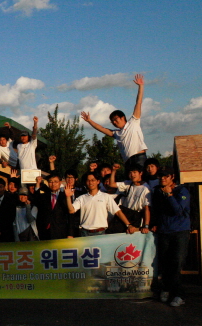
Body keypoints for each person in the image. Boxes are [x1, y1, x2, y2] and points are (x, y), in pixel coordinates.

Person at [81, 74, 148, 170]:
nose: (114, 122)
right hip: (127, 161)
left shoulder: (133, 122)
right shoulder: (116, 133)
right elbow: (102, 129)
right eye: (112, 121)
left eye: (116, 119)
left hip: (139, 158)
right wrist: (89, 121)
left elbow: (138, 103)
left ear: (122, 117)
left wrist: (141, 86)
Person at [150, 167, 191, 307]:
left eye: (166, 176)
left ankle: (179, 294)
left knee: (176, 262)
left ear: (172, 177)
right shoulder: (157, 191)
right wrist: (155, 223)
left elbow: (178, 210)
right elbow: (155, 210)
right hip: (164, 231)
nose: (162, 178)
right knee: (165, 262)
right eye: (160, 176)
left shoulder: (182, 191)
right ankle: (166, 288)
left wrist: (169, 195)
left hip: (180, 231)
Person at [65, 172, 135, 237]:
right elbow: (71, 210)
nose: (90, 182)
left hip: (100, 233)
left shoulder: (106, 196)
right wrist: (68, 197)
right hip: (84, 233)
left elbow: (117, 212)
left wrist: (128, 225)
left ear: (98, 181)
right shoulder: (82, 198)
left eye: (93, 180)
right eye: (88, 180)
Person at [107, 163, 151, 232]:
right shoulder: (128, 184)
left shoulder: (145, 189)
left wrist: (146, 225)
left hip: (136, 217)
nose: (132, 175)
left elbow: (146, 208)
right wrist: (114, 171)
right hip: (125, 215)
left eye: (134, 172)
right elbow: (112, 184)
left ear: (141, 173)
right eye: (130, 173)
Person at [31, 172, 73, 240]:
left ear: (60, 182)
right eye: (50, 182)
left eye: (56, 182)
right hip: (44, 232)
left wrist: (70, 234)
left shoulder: (65, 196)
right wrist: (38, 184)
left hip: (60, 232)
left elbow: (70, 216)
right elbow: (36, 200)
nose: (53, 184)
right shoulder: (44, 195)